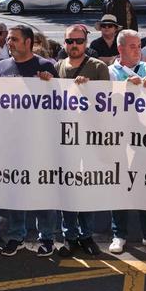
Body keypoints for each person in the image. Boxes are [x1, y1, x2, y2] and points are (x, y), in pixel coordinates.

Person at [0, 25, 58, 257]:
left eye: (15, 39)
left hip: (40, 142)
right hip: (11, 142)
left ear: (28, 42)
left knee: (42, 190)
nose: (9, 42)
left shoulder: (45, 66)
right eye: (8, 39)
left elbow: (60, 102)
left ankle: (47, 237)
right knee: (16, 190)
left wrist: (50, 84)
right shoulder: (1, 67)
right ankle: (16, 235)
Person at [107, 29, 146, 253]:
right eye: (132, 46)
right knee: (120, 185)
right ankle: (118, 234)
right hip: (119, 136)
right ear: (120, 49)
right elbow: (105, 101)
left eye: (139, 46)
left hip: (145, 136)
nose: (137, 50)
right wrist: (124, 88)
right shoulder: (110, 71)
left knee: (144, 186)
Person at [55, 25, 108, 257]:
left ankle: (87, 235)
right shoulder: (57, 67)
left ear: (86, 42)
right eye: (69, 41)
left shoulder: (98, 67)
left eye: (78, 41)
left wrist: (90, 90)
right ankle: (70, 236)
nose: (74, 45)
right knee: (67, 189)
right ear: (64, 44)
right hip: (64, 140)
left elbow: (107, 103)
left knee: (86, 188)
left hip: (90, 139)